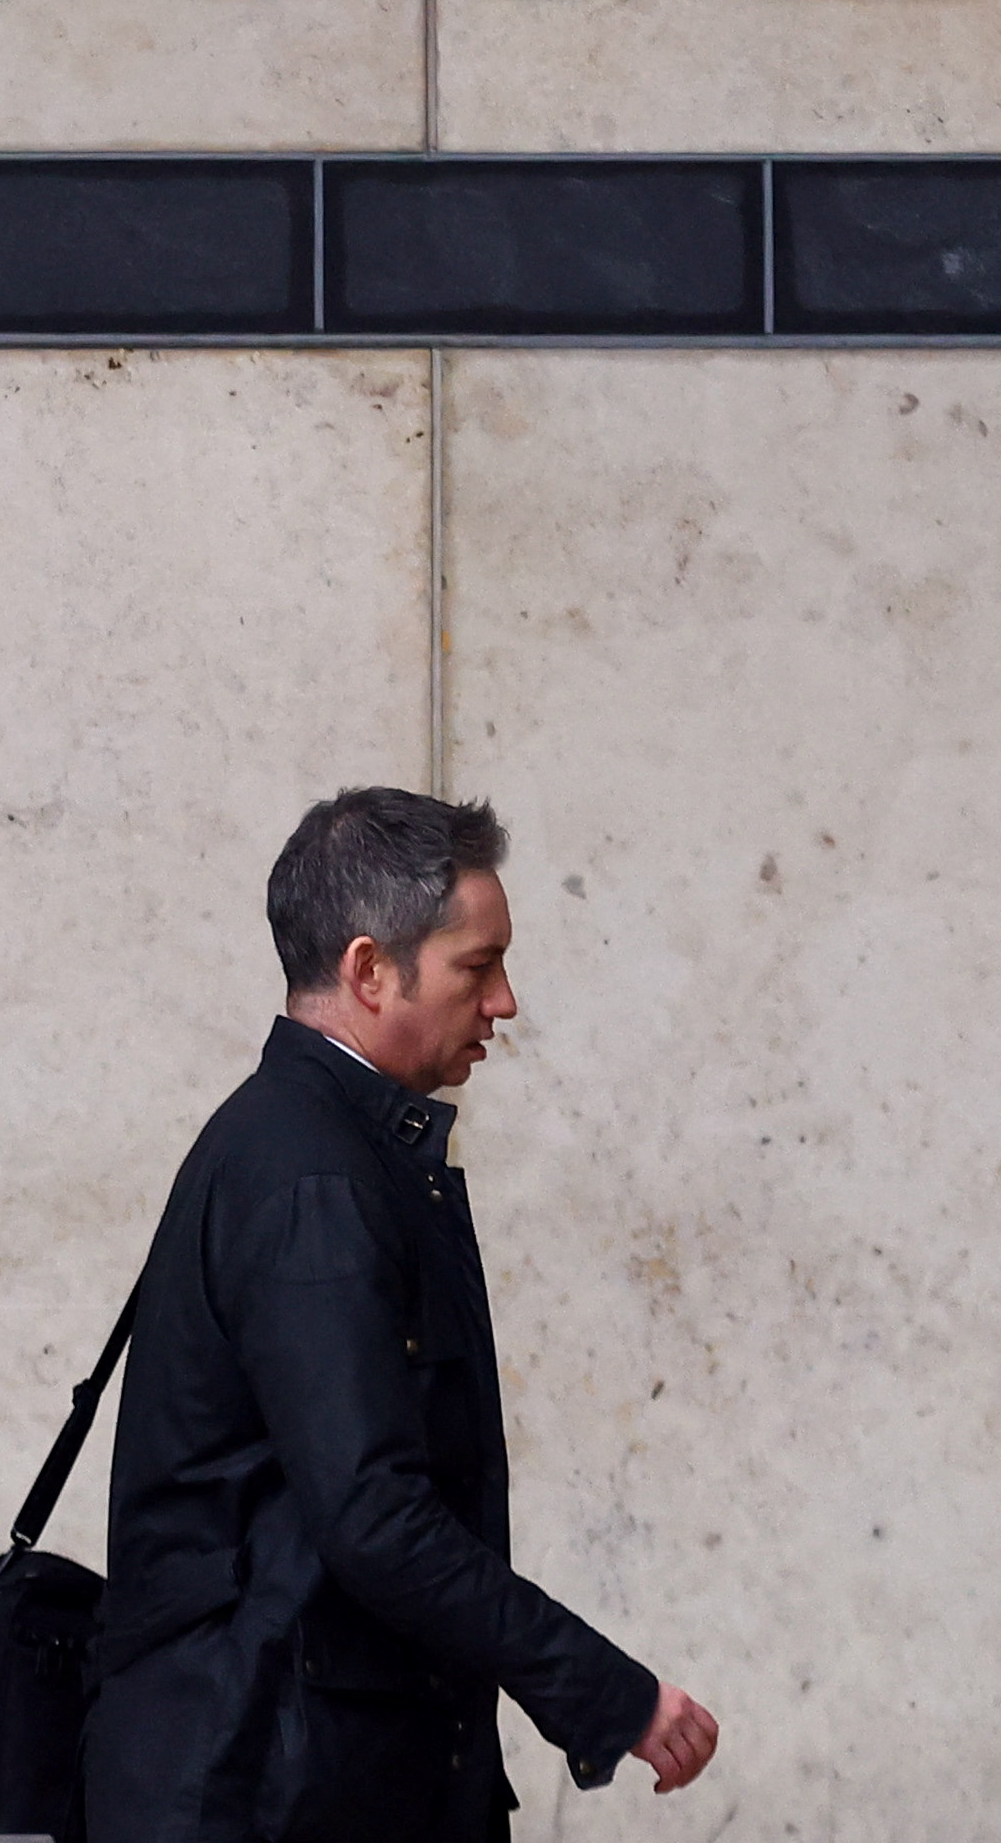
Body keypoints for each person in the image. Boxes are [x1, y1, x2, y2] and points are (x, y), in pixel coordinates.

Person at [73, 788, 719, 1842]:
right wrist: (610, 1695)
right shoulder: (309, 1177)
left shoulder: (305, 1147)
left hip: (293, 1769)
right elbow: (373, 1513)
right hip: (272, 1787)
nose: (504, 1000)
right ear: (370, 970)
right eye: (478, 965)